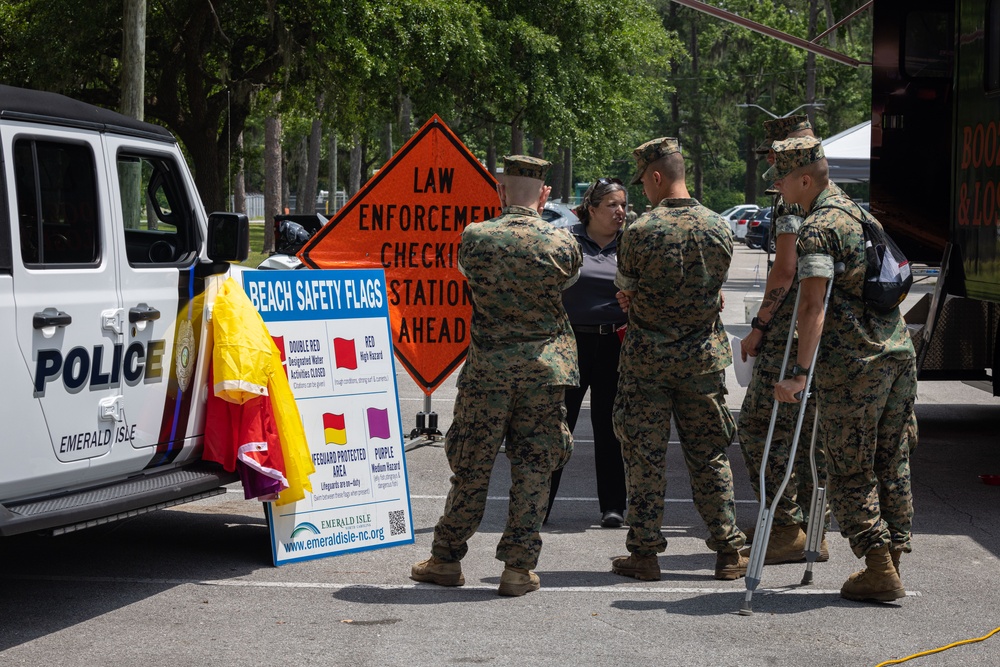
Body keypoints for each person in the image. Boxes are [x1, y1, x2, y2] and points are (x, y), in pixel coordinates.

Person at [410, 155, 582, 597]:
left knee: (471, 465)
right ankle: (517, 570)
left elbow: (469, 277)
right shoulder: (561, 243)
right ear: (544, 194)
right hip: (544, 372)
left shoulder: (476, 237)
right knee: (533, 469)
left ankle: (446, 559)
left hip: (488, 372)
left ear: (501, 191)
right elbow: (568, 284)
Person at [769, 136, 916, 602]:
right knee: (891, 460)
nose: (777, 184)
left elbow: (812, 303)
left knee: (849, 465)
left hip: (855, 364)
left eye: (783, 176)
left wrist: (799, 372)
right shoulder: (860, 213)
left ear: (805, 178)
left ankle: (877, 566)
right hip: (896, 353)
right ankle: (892, 556)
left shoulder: (819, 227)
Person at [610, 137, 748, 582]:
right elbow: (715, 290)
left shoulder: (640, 230)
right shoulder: (718, 227)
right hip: (701, 361)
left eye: (644, 184)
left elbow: (625, 291)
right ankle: (728, 551)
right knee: (709, 456)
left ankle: (645, 554)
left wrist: (638, 301)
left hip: (647, 363)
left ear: (655, 176)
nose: (644, 192)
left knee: (644, 457)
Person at [738, 114, 834, 564]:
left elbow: (786, 267)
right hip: (819, 332)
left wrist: (759, 325)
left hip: (790, 331)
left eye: (775, 157)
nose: (772, 168)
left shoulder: (792, 198)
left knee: (760, 428)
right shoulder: (832, 196)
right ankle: (814, 529)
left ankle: (785, 526)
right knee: (811, 435)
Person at [545, 177, 629, 528]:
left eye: (624, 204)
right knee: (559, 426)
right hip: (572, 345)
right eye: (612, 205)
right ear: (591, 209)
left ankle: (613, 506)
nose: (620, 211)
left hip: (615, 343)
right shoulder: (566, 240)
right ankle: (540, 505)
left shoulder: (632, 244)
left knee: (611, 428)